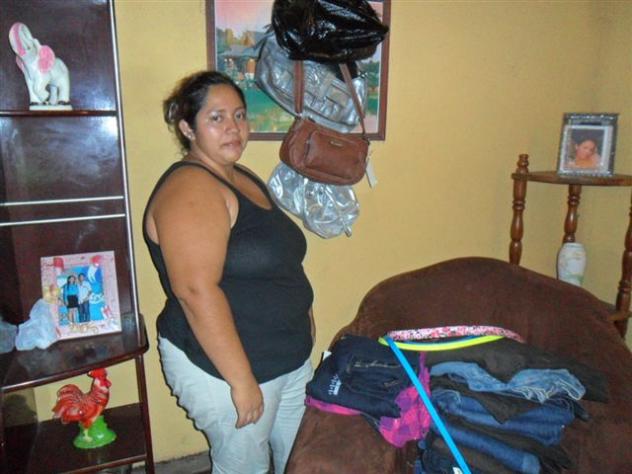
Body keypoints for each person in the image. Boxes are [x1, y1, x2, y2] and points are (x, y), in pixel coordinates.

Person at [143, 71, 315, 474]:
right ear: (188, 128)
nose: (233, 128)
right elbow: (195, 291)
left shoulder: (240, 176)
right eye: (216, 118)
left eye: (239, 115)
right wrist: (241, 382)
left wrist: (304, 318)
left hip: (287, 357)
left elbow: (281, 262)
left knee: (302, 460)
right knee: (244, 467)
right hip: (226, 370)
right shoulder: (190, 188)